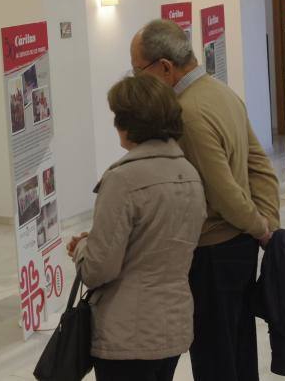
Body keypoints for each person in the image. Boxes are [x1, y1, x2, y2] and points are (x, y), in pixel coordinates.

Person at [129, 20, 280, 381]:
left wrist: (262, 228)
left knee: (215, 355)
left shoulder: (188, 112)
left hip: (213, 252)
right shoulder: (222, 91)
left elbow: (222, 191)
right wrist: (266, 224)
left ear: (165, 67)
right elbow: (261, 166)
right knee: (239, 345)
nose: (138, 81)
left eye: (139, 71)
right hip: (239, 245)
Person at [68, 74, 206, 381]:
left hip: (128, 330)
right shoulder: (189, 173)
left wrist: (80, 249)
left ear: (127, 123)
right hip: (173, 323)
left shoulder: (122, 180)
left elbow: (98, 269)